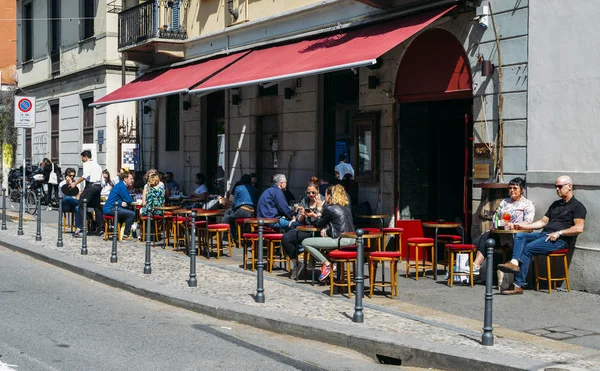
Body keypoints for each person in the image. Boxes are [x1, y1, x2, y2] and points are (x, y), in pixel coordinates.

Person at [498, 175, 587, 295]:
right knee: (521, 235)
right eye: (556, 187)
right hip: (544, 235)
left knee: (527, 249)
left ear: (569, 186)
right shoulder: (556, 204)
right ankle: (514, 263)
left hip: (559, 240)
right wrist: (522, 226)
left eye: (559, 186)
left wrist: (559, 233)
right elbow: (542, 222)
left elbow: (579, 228)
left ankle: (518, 285)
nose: (557, 189)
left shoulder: (577, 206)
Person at [472, 177, 535, 274]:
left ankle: (475, 267)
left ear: (522, 190)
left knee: (480, 240)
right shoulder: (505, 202)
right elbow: (496, 216)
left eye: (515, 188)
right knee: (485, 236)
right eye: (510, 188)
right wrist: (499, 222)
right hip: (502, 235)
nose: (511, 191)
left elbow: (529, 221)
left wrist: (514, 225)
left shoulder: (527, 204)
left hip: (516, 237)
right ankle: (476, 266)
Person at [302, 184, 355, 281]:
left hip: (340, 240)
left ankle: (326, 264)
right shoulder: (347, 208)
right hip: (352, 240)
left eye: (326, 194)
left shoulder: (330, 208)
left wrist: (318, 209)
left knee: (306, 242)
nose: (325, 197)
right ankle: (325, 265)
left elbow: (318, 224)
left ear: (330, 196)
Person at [281, 177, 324, 280]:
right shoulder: (305, 200)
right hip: (305, 229)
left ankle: (312, 262)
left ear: (318, 191)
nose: (311, 195)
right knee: (286, 238)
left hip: (318, 230)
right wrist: (303, 215)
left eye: (313, 193)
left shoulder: (322, 201)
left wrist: (315, 214)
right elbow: (300, 220)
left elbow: (323, 220)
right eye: (309, 193)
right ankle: (297, 263)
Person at [71, 150, 103, 237]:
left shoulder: (87, 164)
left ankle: (82, 229)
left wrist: (75, 183)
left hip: (91, 185)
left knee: (81, 204)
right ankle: (100, 229)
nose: (82, 159)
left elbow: (85, 175)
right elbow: (102, 180)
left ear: (85, 157)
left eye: (82, 158)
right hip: (98, 186)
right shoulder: (98, 165)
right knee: (96, 206)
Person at [222, 174, 259, 245]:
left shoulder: (238, 188)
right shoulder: (255, 189)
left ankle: (232, 237)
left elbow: (234, 202)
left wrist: (233, 210)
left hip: (242, 210)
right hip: (252, 212)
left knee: (230, 217)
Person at [103, 170, 136, 241]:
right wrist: (125, 202)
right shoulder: (122, 186)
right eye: (131, 179)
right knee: (131, 214)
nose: (132, 180)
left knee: (128, 212)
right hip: (110, 209)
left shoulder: (121, 185)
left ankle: (122, 233)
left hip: (111, 207)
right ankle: (125, 235)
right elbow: (129, 200)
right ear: (125, 179)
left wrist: (122, 202)